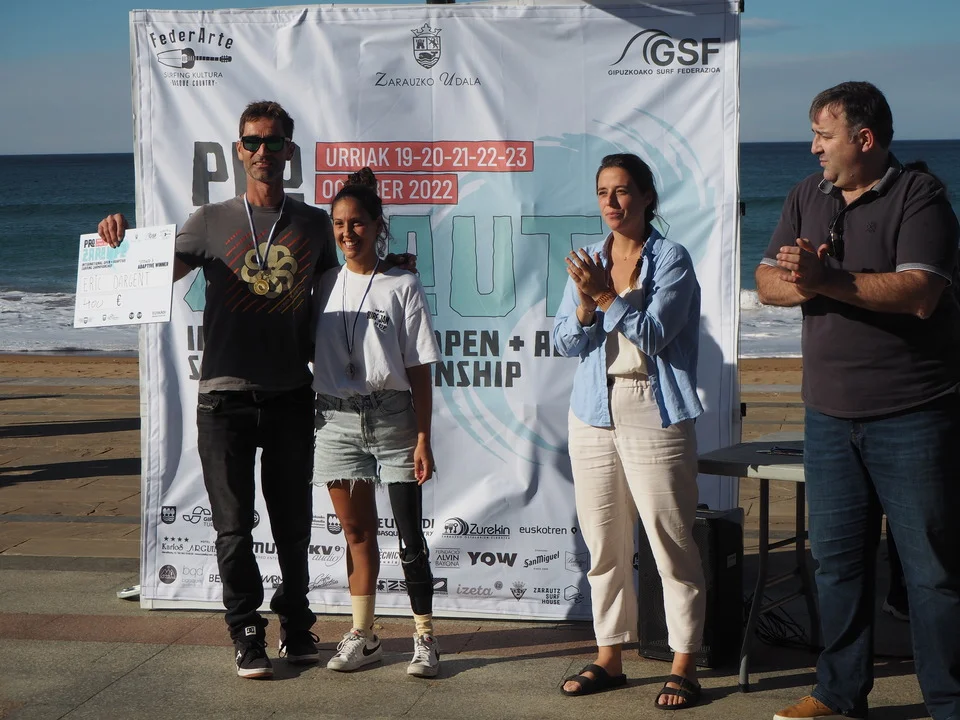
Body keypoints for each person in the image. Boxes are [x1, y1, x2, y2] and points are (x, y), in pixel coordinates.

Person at [97, 100, 337, 679]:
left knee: (293, 526)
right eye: (253, 142)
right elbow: (155, 271)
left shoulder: (313, 225)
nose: (263, 152)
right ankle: (246, 631)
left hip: (290, 395)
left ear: (289, 151)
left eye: (274, 142)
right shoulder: (209, 220)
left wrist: (391, 264)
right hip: (224, 400)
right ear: (238, 150)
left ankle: (296, 624)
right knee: (233, 529)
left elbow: (343, 292)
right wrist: (117, 242)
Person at [756, 81, 960, 720]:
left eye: (824, 135)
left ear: (864, 139)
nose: (813, 147)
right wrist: (806, 282)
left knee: (932, 573)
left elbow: (920, 292)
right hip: (827, 417)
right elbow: (765, 282)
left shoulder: (920, 196)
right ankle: (839, 695)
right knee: (837, 565)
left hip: (914, 415)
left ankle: (948, 702)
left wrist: (826, 280)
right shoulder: (805, 195)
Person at [553, 153, 706, 709]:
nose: (611, 202)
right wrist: (584, 308)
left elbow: (657, 333)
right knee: (604, 543)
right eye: (602, 192)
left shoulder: (671, 258)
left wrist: (605, 297)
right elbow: (564, 342)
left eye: (621, 191)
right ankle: (609, 656)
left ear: (646, 197)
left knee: (670, 542)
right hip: (592, 409)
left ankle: (685, 662)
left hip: (652, 406)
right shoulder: (589, 260)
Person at [310, 167, 443, 678]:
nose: (348, 233)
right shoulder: (323, 283)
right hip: (336, 421)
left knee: (410, 537)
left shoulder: (402, 283)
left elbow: (419, 368)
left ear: (377, 225)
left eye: (358, 223)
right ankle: (364, 635)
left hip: (393, 419)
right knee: (356, 533)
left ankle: (425, 637)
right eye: (339, 224)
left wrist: (424, 436)